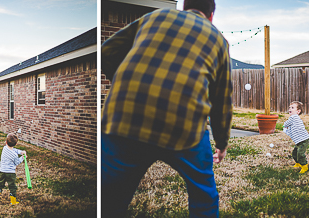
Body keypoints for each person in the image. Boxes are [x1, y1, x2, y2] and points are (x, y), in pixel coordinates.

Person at [99, 0, 232, 217]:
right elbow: (222, 100)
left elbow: (106, 51)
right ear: (211, 15)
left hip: (125, 117)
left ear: (183, 8)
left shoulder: (155, 17)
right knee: (203, 195)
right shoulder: (217, 38)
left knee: (110, 197)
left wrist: (126, 83)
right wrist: (222, 143)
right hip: (184, 126)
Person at [0, 133, 27, 205]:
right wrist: (22, 157)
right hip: (10, 173)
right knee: (12, 186)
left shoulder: (4, 148)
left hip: (2, 171)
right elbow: (17, 162)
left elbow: (13, 149)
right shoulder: (14, 155)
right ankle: (13, 201)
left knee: (0, 183)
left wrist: (21, 152)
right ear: (15, 144)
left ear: (6, 142)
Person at [283, 101, 309, 173]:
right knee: (294, 153)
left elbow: (286, 124)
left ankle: (304, 165)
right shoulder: (294, 119)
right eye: (289, 107)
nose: (290, 109)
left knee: (300, 153)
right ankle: (298, 163)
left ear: (298, 111)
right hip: (299, 140)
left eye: (292, 108)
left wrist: (284, 126)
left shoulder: (294, 117)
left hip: (303, 140)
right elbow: (290, 129)